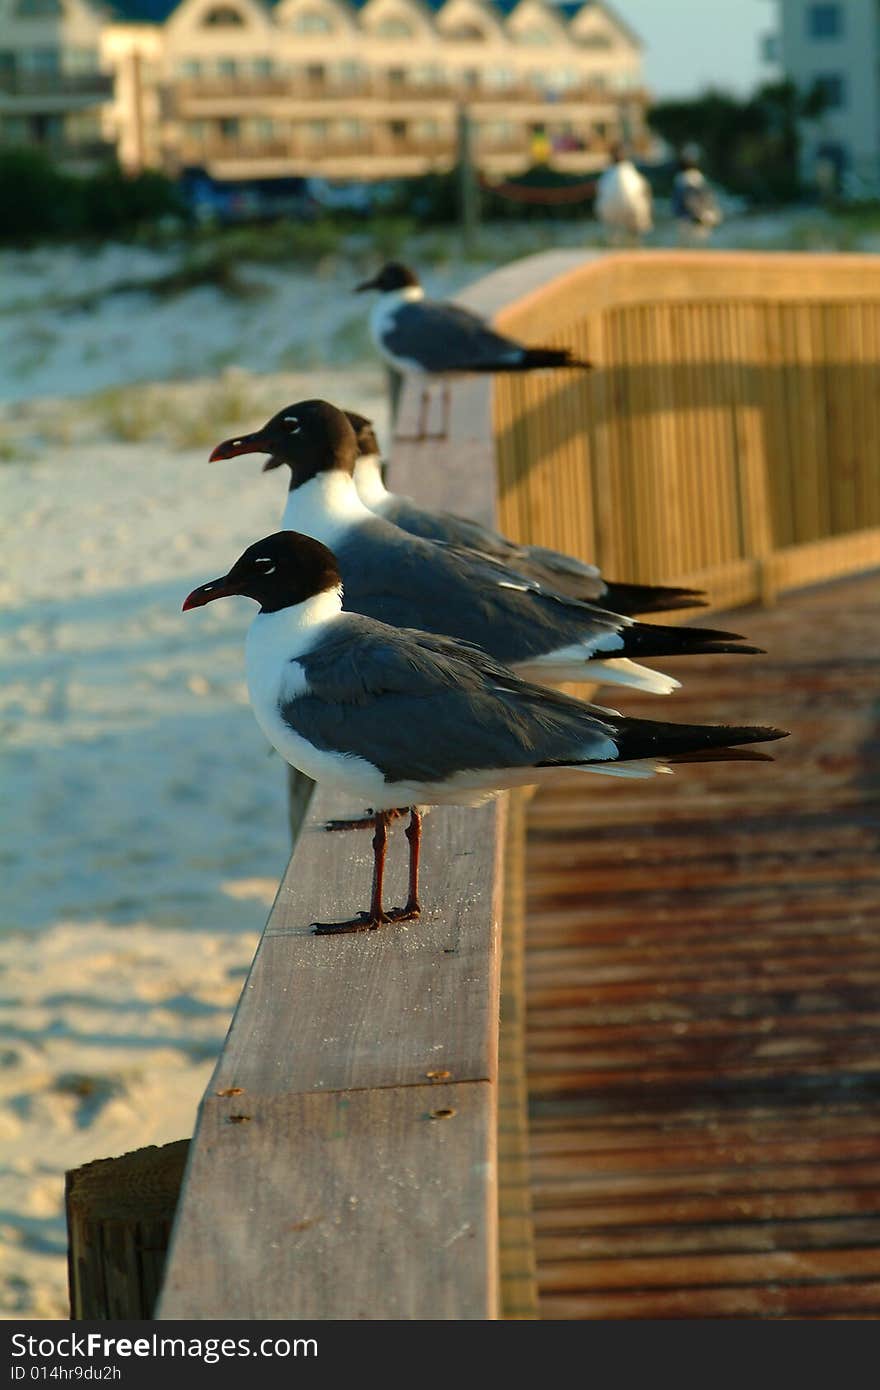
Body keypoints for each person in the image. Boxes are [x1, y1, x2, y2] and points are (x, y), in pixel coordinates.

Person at [594, 143, 653, 246]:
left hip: (622, 216)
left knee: (624, 237)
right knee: (623, 237)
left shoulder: (612, 174)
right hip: (625, 215)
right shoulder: (628, 173)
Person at [671, 147, 722, 244]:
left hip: (688, 222)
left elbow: (683, 203)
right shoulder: (700, 179)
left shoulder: (681, 180)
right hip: (701, 222)